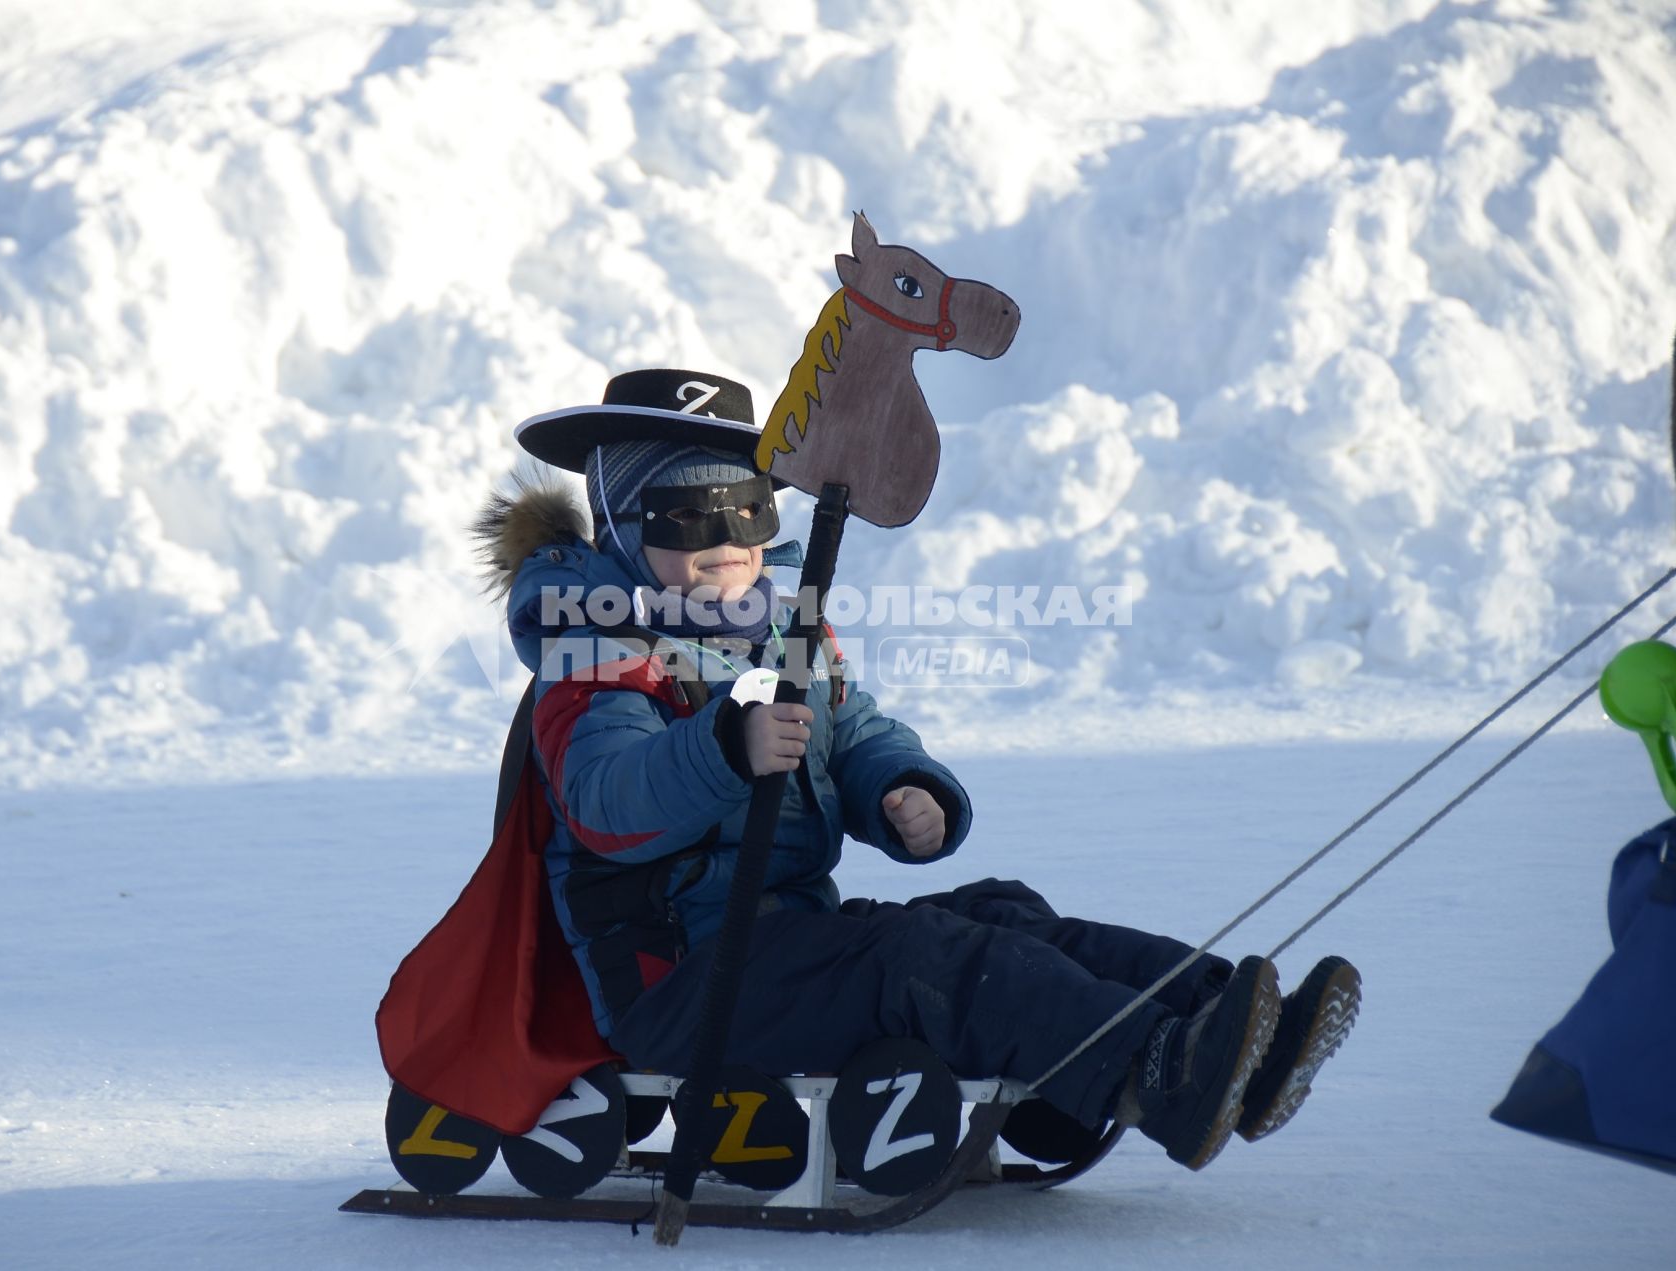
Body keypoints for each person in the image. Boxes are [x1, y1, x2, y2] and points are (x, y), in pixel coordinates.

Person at [480, 368, 1360, 1170]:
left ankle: (1226, 1023)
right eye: (686, 519)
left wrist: (900, 784)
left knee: (998, 910)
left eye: (749, 513)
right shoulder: (599, 653)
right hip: (682, 983)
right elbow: (607, 800)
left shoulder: (784, 632)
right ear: (625, 529)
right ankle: (1157, 1068)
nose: (726, 543)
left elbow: (853, 728)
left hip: (786, 945)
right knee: (920, 959)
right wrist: (724, 746)